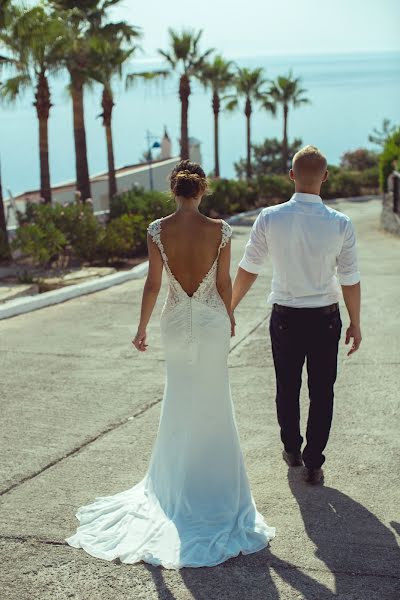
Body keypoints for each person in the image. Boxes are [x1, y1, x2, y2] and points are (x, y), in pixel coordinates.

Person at [65, 160, 275, 569]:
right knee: (215, 404)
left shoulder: (158, 230)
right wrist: (228, 315)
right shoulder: (222, 230)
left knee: (179, 401)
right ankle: (215, 491)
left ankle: (177, 488)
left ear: (174, 191)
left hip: (176, 323)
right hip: (213, 323)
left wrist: (141, 327)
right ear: (202, 190)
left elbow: (154, 283)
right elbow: (224, 283)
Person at [231, 145, 362, 485]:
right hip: (326, 318)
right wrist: (356, 323)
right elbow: (350, 279)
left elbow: (249, 268)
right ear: (326, 176)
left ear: (292, 175)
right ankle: (314, 461)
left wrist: (229, 307)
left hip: (286, 317)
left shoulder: (270, 218)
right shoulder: (340, 223)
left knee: (287, 386)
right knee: (322, 390)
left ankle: (292, 449)